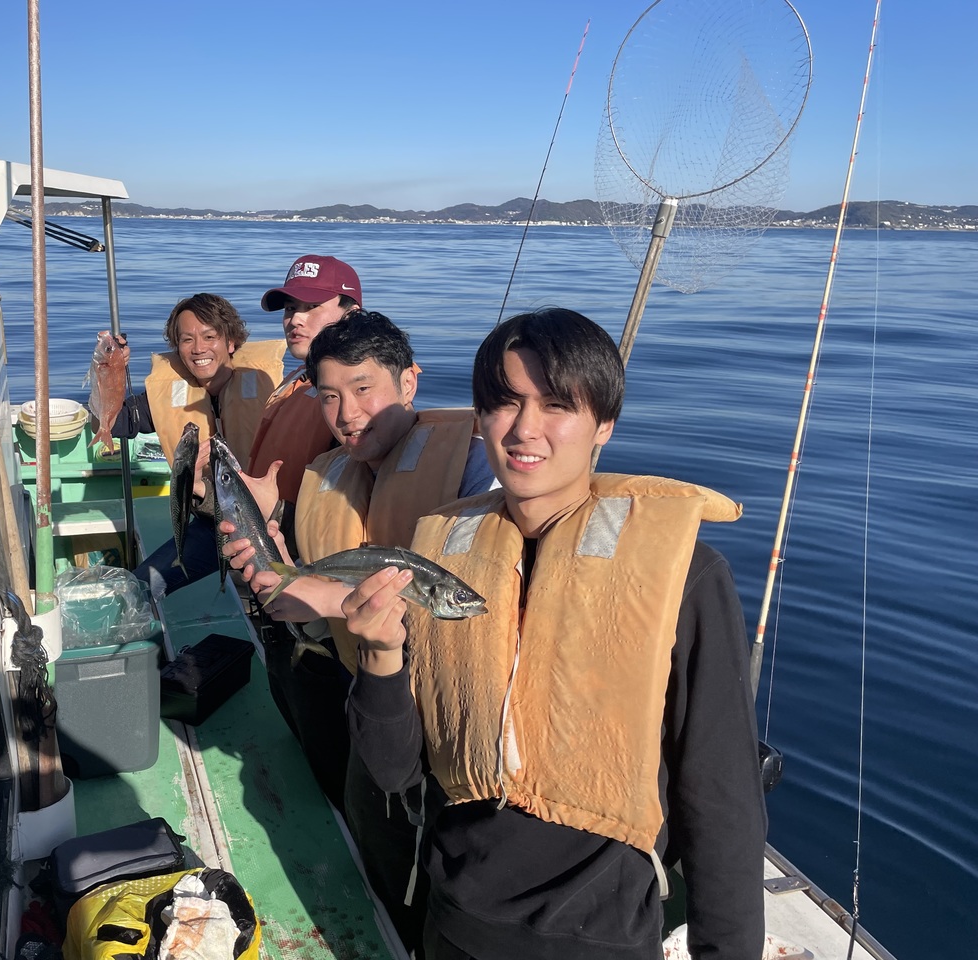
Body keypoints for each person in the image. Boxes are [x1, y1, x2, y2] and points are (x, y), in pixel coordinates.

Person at [342, 307, 766, 960]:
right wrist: (380, 655)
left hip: (599, 940)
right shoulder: (440, 558)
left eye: (557, 404)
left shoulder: (686, 576)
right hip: (453, 923)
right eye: (503, 403)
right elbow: (393, 770)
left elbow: (722, 796)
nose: (524, 429)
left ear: (605, 424)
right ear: (480, 417)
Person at [224, 310, 493, 955]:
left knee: (426, 884)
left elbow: (476, 610)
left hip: (439, 733)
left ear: (409, 383)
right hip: (361, 702)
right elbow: (307, 589)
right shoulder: (329, 473)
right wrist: (275, 559)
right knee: (370, 857)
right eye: (329, 396)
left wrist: (336, 600)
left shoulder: (476, 467)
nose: (347, 414)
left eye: (364, 388)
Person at [113, 293, 283, 593]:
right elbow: (113, 422)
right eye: (187, 339)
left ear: (231, 342)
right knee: (137, 589)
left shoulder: (273, 392)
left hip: (266, 522)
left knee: (280, 596)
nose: (198, 348)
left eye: (209, 336)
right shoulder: (167, 397)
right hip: (210, 526)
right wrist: (110, 371)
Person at [241, 254, 361, 548]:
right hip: (258, 534)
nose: (295, 319)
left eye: (312, 307)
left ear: (351, 315)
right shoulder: (300, 378)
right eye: (291, 308)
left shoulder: (358, 404)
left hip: (300, 558)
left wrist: (272, 513)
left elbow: (348, 524)